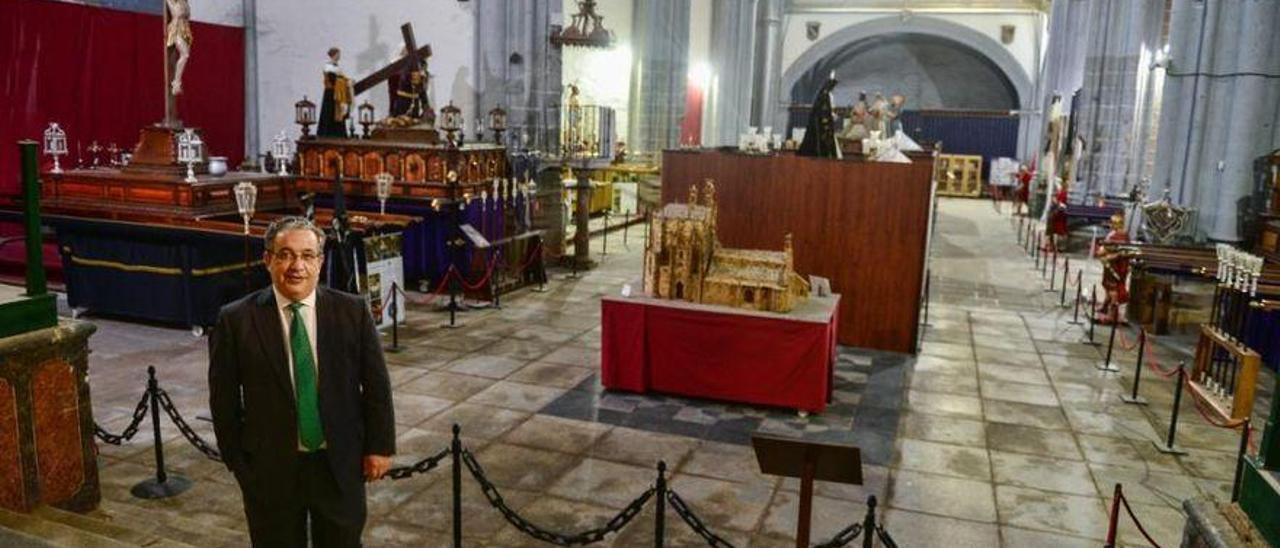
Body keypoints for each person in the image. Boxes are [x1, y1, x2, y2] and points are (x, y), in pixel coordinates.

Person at [209, 216, 395, 547]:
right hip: (270, 470)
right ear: (268, 260)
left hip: (338, 465)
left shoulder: (352, 312)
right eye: (285, 254)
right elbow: (222, 398)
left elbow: (376, 386)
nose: (297, 266)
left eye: (307, 255)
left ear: (320, 262)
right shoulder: (236, 320)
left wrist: (379, 447)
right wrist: (238, 462)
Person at [1094, 213, 1133, 325]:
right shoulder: (1124, 234)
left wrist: (1100, 251)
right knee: (1108, 286)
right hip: (1116, 265)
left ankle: (1112, 314)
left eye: (1112, 222)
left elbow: (1106, 249)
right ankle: (1105, 306)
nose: (1110, 224)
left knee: (1112, 288)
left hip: (1114, 266)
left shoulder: (1116, 236)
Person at [318, 48, 353, 138]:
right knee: (330, 112)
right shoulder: (329, 67)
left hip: (337, 92)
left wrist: (348, 81)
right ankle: (329, 134)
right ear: (334, 55)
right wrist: (347, 82)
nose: (339, 56)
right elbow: (335, 80)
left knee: (338, 113)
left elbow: (341, 78)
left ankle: (338, 133)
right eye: (338, 54)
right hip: (331, 93)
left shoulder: (336, 67)